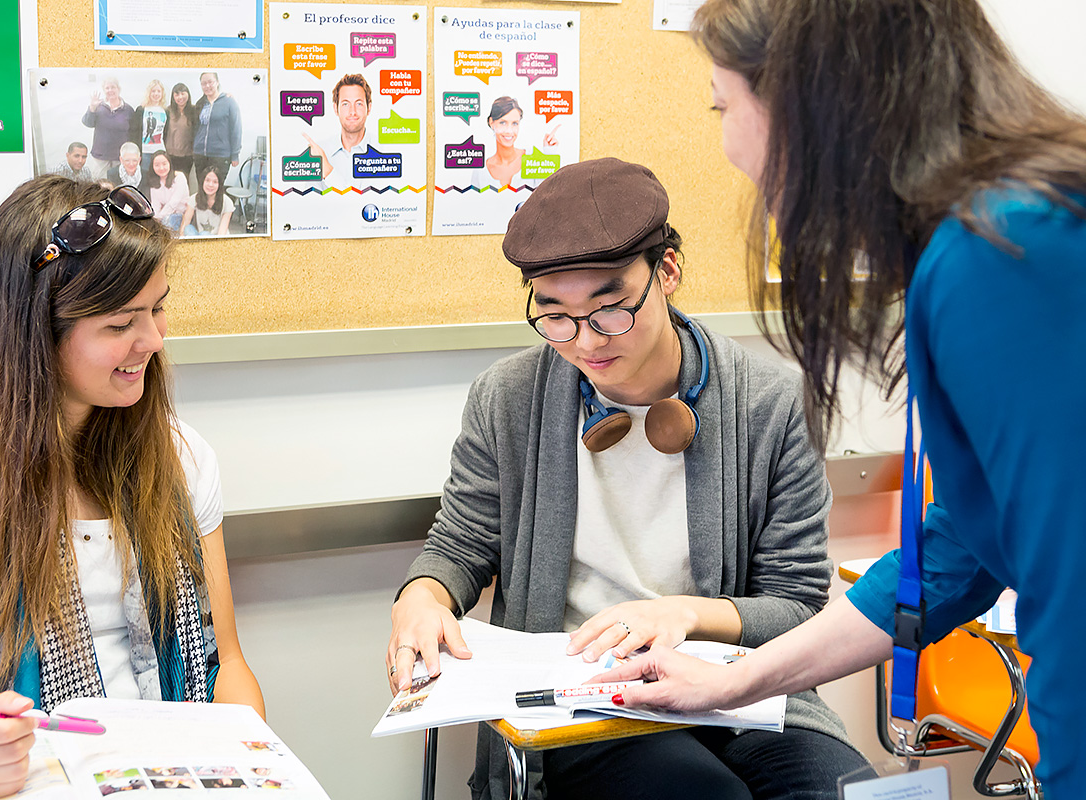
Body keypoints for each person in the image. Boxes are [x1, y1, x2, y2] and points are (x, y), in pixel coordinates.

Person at [592, 2, 1086, 798]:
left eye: (722, 106)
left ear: (808, 101)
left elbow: (1075, 606)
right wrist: (733, 682)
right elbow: (957, 552)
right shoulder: (1007, 226)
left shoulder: (1002, 256)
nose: (729, 149)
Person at [387, 158, 867, 800]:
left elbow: (798, 605)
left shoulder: (772, 404)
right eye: (556, 316)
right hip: (585, 698)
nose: (585, 343)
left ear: (666, 271)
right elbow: (460, 545)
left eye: (610, 309)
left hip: (741, 693)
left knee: (843, 791)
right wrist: (421, 598)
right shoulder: (508, 398)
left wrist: (684, 615)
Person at [0, 175, 264, 798]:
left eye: (158, 309)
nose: (154, 341)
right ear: (33, 330)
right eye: (120, 324)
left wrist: (251, 767)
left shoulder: (180, 457)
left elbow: (227, 668)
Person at [301, 73, 375, 190]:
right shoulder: (319, 152)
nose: (352, 112)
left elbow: (365, 199)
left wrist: (328, 172)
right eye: (345, 104)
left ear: (369, 108)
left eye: (359, 104)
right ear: (336, 109)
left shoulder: (384, 150)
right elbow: (311, 200)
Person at [471, 96, 559, 188]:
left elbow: (549, 190)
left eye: (514, 123)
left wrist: (549, 153)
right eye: (503, 123)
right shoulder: (480, 171)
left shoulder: (531, 158)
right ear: (491, 122)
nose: (509, 131)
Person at [193, 72, 241, 188]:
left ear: (217, 82)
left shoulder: (229, 102)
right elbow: (195, 128)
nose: (207, 86)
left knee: (216, 188)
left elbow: (236, 129)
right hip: (200, 155)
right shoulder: (200, 103)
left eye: (210, 82)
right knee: (202, 187)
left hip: (221, 155)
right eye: (204, 83)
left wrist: (235, 154)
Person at [82, 76, 137, 177]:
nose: (110, 90)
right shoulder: (98, 107)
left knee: (118, 183)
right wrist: (92, 108)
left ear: (118, 89)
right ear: (104, 90)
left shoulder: (128, 110)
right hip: (100, 156)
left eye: (113, 87)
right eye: (107, 88)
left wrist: (130, 155)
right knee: (100, 183)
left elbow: (133, 133)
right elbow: (88, 123)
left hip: (120, 157)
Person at [180, 167, 233, 237]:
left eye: (215, 182)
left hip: (216, 238)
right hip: (199, 236)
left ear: (219, 185)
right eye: (207, 180)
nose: (210, 185)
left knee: (204, 234)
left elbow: (222, 233)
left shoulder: (227, 202)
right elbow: (185, 223)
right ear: (202, 182)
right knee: (188, 229)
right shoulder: (194, 198)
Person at [164, 83, 198, 189]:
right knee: (170, 183)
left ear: (188, 94)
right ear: (173, 97)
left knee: (184, 183)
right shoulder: (168, 111)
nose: (180, 97)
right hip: (170, 155)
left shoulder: (194, 110)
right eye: (177, 94)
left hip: (187, 155)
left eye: (183, 93)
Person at [144, 150, 188, 232]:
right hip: (163, 216)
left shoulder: (179, 177)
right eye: (157, 165)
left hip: (180, 215)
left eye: (164, 164)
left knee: (166, 222)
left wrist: (158, 218)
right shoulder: (154, 182)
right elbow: (155, 204)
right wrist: (154, 219)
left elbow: (173, 203)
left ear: (169, 164)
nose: (161, 168)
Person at [132, 79, 169, 173]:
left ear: (162, 93)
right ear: (149, 93)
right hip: (145, 153)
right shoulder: (141, 109)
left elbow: (166, 132)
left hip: (160, 151)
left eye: (158, 91)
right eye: (153, 91)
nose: (156, 94)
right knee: (145, 177)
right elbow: (134, 132)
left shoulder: (165, 111)